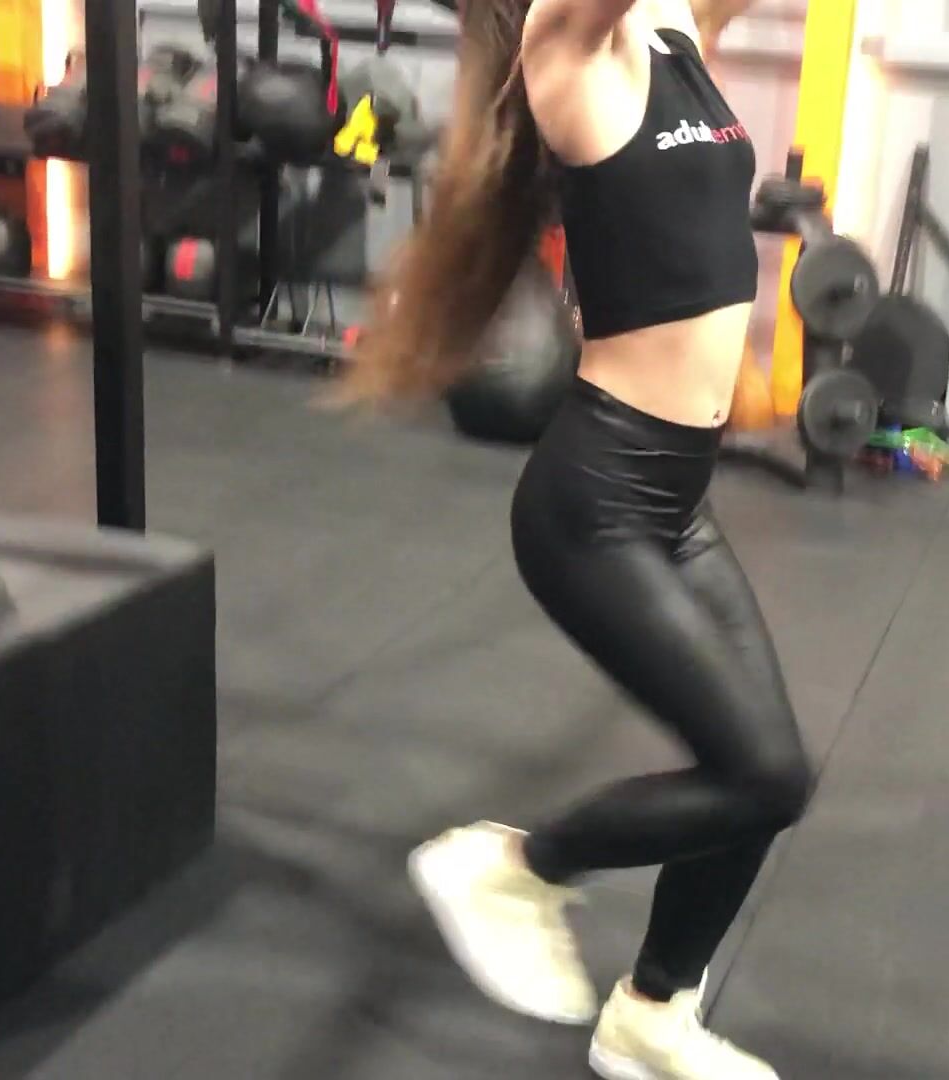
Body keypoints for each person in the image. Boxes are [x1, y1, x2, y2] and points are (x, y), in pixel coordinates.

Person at [338, 0, 809, 1076]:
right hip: (595, 506)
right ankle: (513, 869)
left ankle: (652, 1015)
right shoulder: (566, 51)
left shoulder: (669, 28)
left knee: (757, 784)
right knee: (766, 774)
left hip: (677, 502)